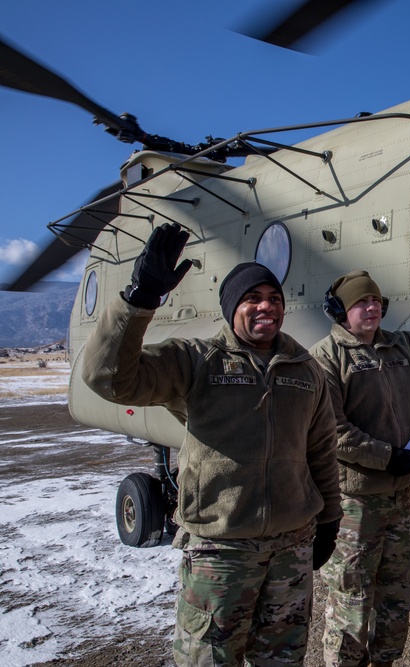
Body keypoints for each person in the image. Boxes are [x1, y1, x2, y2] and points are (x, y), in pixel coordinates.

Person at [81, 222, 343, 666]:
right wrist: (139, 300)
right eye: (252, 299)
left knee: (282, 659)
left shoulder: (305, 369)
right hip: (220, 554)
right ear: (230, 308)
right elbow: (108, 378)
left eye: (275, 299)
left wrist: (330, 520)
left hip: (290, 550)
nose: (267, 307)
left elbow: (320, 451)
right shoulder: (196, 360)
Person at [310, 269, 410, 667]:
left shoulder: (399, 346)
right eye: (361, 302)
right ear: (341, 311)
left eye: (376, 301)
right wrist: (386, 456)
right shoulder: (326, 357)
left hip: (400, 500)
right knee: (351, 603)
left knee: (398, 598)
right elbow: (332, 429)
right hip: (355, 505)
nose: (371, 307)